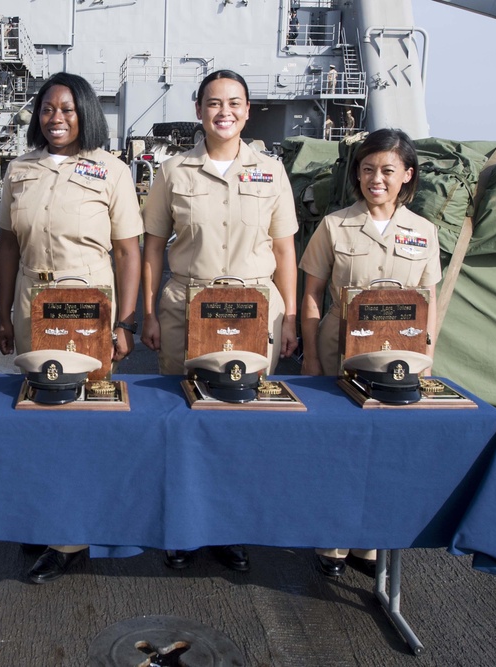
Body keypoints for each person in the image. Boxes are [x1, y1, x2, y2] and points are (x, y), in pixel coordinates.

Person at [140, 70, 299, 572]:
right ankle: (181, 528)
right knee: (182, 423)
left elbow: (284, 249)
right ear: (199, 110)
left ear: (248, 111)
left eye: (234, 103)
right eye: (213, 102)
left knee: (240, 422)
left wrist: (290, 315)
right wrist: (146, 310)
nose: (223, 112)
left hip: (254, 312)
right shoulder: (173, 173)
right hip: (186, 307)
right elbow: (151, 246)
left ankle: (228, 526)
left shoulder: (271, 172)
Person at [0, 72, 143, 584]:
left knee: (83, 420)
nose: (56, 119)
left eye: (67, 110)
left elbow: (128, 250)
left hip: (89, 307)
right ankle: (44, 515)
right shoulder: (20, 169)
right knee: (37, 414)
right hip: (34, 303)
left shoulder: (112, 171)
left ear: (85, 114)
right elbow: (8, 245)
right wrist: (2, 314)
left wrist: (125, 321)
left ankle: (73, 536)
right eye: (47, 110)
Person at [299, 128, 441, 578]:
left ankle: (370, 541)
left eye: (386, 170)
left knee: (385, 450)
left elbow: (428, 299)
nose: (375, 178)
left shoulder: (423, 231)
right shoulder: (335, 225)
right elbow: (312, 294)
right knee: (337, 446)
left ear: (407, 175)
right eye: (366, 169)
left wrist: (426, 353)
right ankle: (332, 540)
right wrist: (310, 355)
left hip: (399, 353)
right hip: (338, 347)